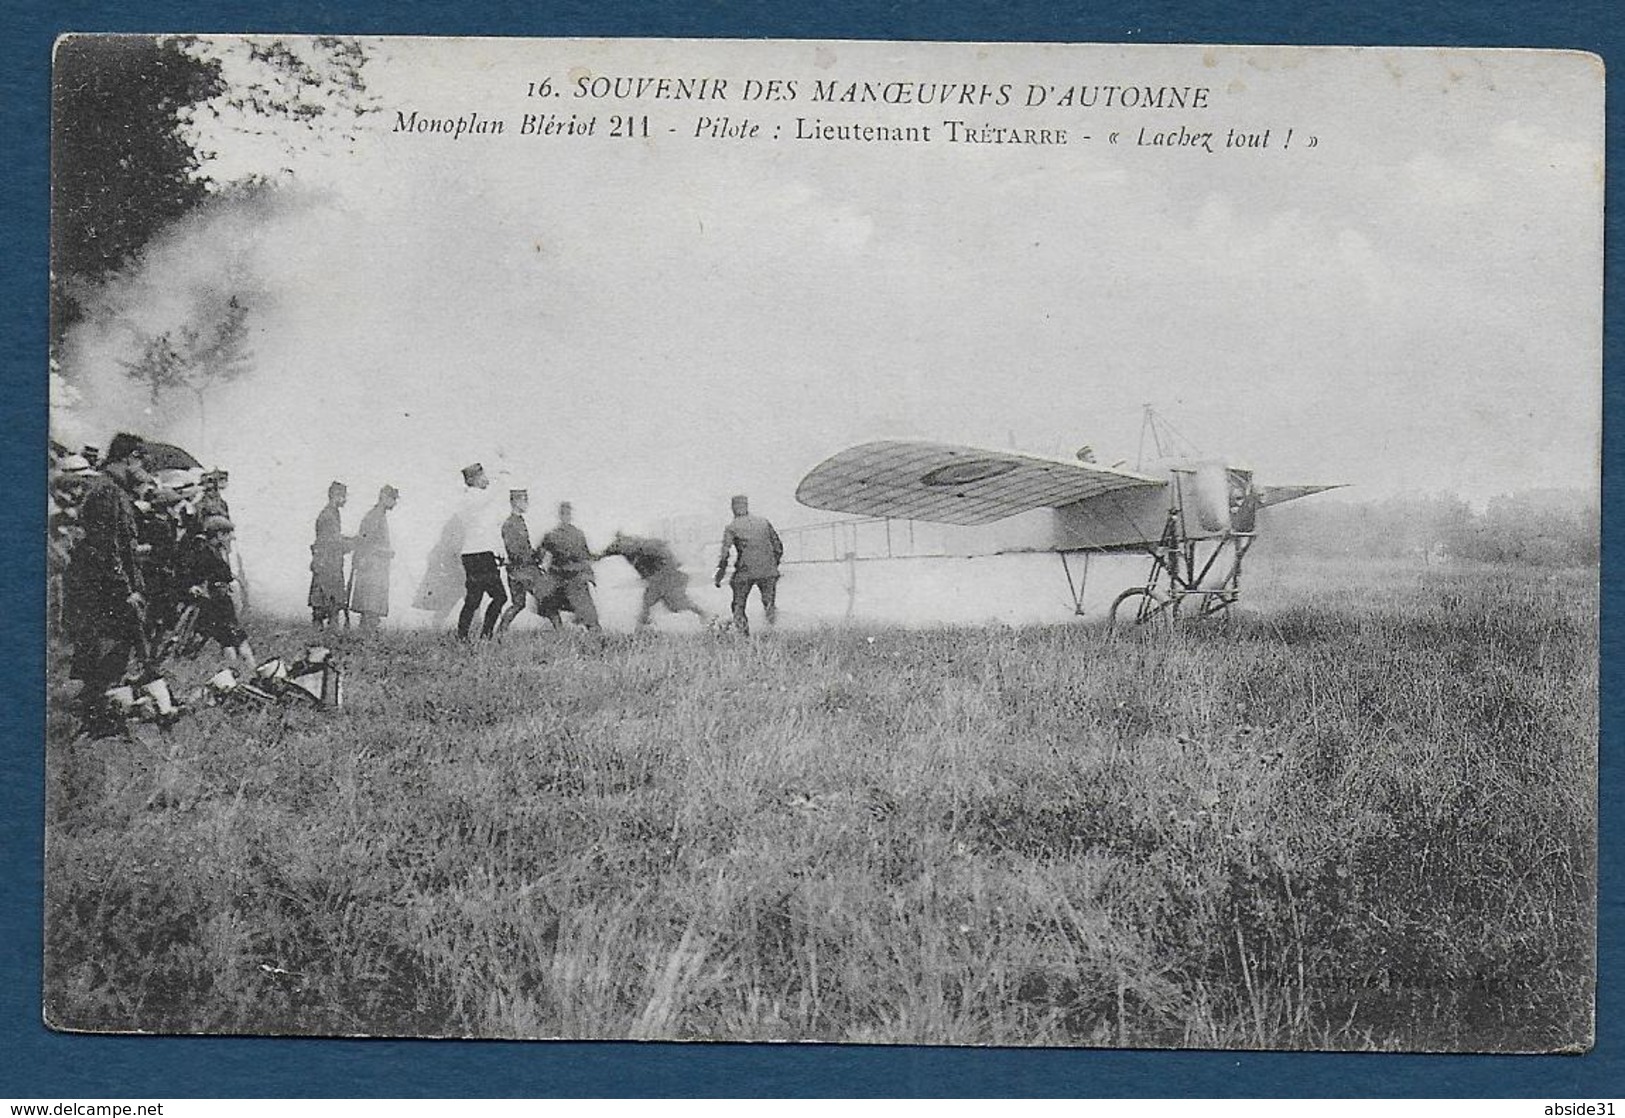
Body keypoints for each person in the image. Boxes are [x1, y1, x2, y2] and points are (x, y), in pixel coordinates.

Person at [61, 433, 149, 735]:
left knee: (111, 654)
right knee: (108, 653)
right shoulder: (108, 491)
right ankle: (95, 721)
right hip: (104, 590)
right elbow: (106, 547)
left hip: (106, 586)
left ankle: (95, 717)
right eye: (140, 460)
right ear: (128, 458)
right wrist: (125, 591)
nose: (143, 468)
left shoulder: (112, 489)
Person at [178, 515, 255, 663]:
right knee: (235, 638)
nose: (232, 538)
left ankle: (236, 669)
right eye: (229, 534)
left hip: (217, 600)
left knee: (226, 639)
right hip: (215, 601)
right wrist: (193, 586)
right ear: (219, 534)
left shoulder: (213, 549)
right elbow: (188, 570)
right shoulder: (203, 550)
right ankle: (246, 671)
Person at [601, 531, 708, 630]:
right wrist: (599, 556)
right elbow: (612, 549)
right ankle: (642, 627)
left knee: (674, 603)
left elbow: (668, 559)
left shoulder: (647, 547)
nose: (625, 549)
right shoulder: (628, 549)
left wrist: (662, 574)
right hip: (659, 580)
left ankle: (704, 615)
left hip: (666, 579)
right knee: (654, 603)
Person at [715, 494, 783, 635]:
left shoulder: (732, 527)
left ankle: (744, 636)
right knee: (769, 603)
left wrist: (719, 575)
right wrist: (772, 565)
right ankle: (773, 631)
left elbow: (724, 555)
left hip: (745, 572)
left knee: (738, 605)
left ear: (733, 508)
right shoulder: (763, 522)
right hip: (769, 571)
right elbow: (778, 547)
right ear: (746, 506)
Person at [455, 462, 507, 640]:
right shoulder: (473, 498)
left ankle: (464, 636)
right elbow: (494, 492)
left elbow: (490, 528)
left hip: (477, 554)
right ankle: (484, 635)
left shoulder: (474, 499)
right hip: (479, 555)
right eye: (482, 476)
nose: (486, 480)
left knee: (475, 599)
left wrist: (497, 552)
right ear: (473, 480)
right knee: (498, 597)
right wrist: (502, 467)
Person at [537, 501, 600, 632]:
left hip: (560, 581)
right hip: (572, 580)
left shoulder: (552, 535)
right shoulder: (578, 534)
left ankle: (562, 632)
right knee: (588, 616)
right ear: (569, 515)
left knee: (549, 606)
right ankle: (585, 634)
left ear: (560, 515)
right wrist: (590, 576)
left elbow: (540, 555)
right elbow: (586, 557)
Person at [349, 484, 399, 633]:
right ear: (384, 497)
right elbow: (365, 542)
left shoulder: (378, 515)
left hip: (375, 565)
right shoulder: (374, 516)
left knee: (373, 603)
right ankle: (368, 632)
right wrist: (385, 552)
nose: (395, 503)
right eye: (393, 499)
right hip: (372, 566)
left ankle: (368, 630)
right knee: (371, 603)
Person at [496, 489, 544, 634]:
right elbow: (515, 551)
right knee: (547, 599)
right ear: (515, 502)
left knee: (518, 604)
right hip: (524, 571)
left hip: (517, 570)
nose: (527, 503)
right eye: (524, 500)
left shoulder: (516, 521)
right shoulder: (511, 524)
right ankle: (561, 633)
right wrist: (535, 557)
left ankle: (500, 633)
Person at [308, 481, 353, 628]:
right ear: (335, 495)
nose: (345, 500)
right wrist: (352, 544)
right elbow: (332, 541)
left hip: (328, 563)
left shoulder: (332, 513)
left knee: (328, 602)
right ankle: (325, 636)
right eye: (343, 496)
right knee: (325, 604)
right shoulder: (328, 515)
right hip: (327, 564)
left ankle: (326, 635)